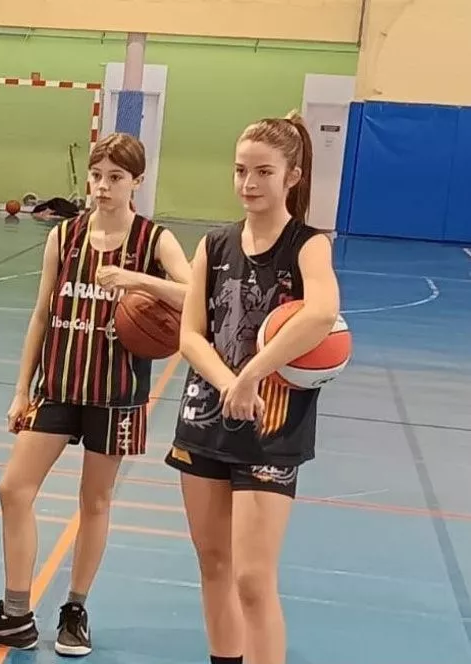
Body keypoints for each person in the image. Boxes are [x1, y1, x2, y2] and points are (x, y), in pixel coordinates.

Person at [0, 133, 191, 656]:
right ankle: (15, 615)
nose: (103, 187)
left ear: (137, 183)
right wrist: (20, 391)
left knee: (94, 501)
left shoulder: (154, 240)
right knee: (13, 488)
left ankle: (75, 609)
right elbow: (41, 314)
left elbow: (195, 294)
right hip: (58, 385)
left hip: (116, 392)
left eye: (116, 179)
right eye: (97, 176)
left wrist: (137, 282)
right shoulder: (65, 235)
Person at [164, 112, 338, 664]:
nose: (248, 184)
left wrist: (252, 374)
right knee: (212, 563)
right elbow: (191, 336)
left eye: (263, 171)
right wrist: (228, 382)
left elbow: (322, 315)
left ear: (293, 175)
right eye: (240, 171)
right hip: (205, 418)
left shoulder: (308, 245)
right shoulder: (213, 246)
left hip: (272, 425)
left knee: (253, 579)